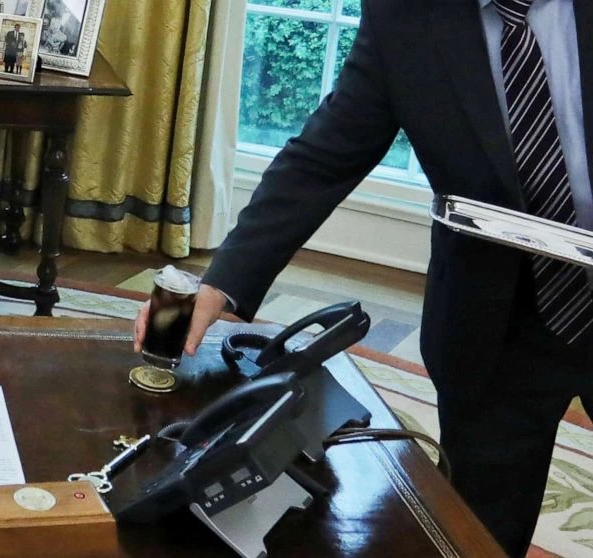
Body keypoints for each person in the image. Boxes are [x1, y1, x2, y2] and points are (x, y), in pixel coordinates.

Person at [133, 1, 591, 556]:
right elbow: (321, 158)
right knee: (484, 531)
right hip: (495, 318)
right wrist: (221, 283)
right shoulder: (404, 15)